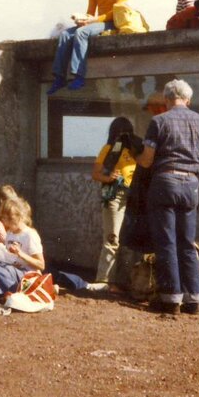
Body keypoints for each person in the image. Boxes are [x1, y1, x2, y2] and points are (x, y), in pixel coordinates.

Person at [135, 79, 199, 317]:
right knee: (187, 242)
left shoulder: (159, 121)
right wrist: (198, 163)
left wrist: (135, 157)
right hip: (191, 184)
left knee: (166, 242)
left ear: (167, 99)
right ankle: (195, 299)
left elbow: (147, 160)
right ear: (187, 100)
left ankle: (172, 300)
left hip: (165, 183)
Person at [47, 0, 128, 94]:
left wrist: (93, 20)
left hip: (113, 22)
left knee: (81, 33)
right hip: (97, 21)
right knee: (66, 35)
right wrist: (82, 20)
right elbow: (90, 12)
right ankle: (60, 77)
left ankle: (79, 76)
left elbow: (116, 12)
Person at [89, 117, 140, 293]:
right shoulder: (109, 149)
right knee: (112, 239)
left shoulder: (136, 149)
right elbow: (95, 173)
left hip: (134, 195)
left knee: (130, 239)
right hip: (115, 195)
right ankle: (104, 280)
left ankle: (128, 280)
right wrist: (108, 178)